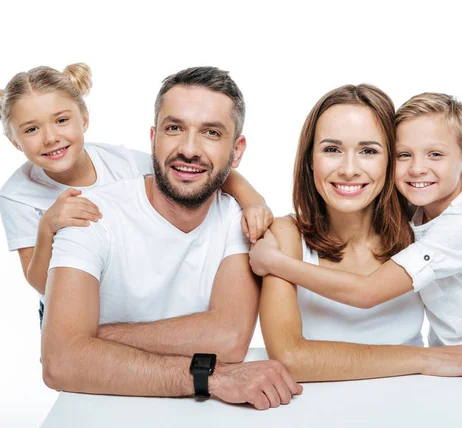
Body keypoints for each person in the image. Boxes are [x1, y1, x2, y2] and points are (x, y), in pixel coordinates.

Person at [250, 91, 462, 425]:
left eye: (369, 151)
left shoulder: (416, 226)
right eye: (332, 149)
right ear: (309, 159)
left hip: (434, 406)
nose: (349, 169)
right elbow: (290, 357)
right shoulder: (286, 236)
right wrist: (423, 359)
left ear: (388, 160)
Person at [39, 66, 302, 410]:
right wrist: (210, 376)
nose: (189, 149)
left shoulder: (239, 219)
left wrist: (94, 341)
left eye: (211, 132)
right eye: (174, 128)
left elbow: (229, 338)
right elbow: (61, 362)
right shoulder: (90, 214)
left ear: (237, 151)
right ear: (153, 138)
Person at [0, 63, 273, 328]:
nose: (50, 137)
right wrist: (47, 228)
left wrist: (252, 199)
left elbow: (189, 169)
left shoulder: (122, 162)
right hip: (69, 310)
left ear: (84, 120)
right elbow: (40, 282)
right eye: (31, 129)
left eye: (61, 120)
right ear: (14, 142)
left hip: (131, 308)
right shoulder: (17, 195)